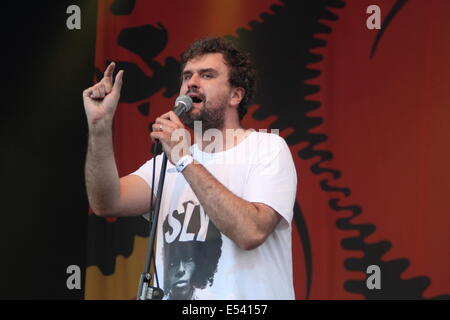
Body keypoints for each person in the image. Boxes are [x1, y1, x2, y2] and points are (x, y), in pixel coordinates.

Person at [83, 37, 297, 299]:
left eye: (207, 75)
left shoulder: (267, 148)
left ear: (236, 95)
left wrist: (184, 160)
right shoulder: (168, 162)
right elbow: (107, 202)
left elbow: (250, 232)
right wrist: (100, 126)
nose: (191, 83)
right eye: (187, 76)